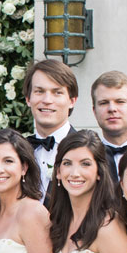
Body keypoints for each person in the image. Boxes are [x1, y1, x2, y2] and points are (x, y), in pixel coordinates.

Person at [24, 59, 78, 191]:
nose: (47, 100)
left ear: (72, 101)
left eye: (57, 92)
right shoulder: (18, 151)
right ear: (28, 99)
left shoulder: (90, 151)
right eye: (39, 91)